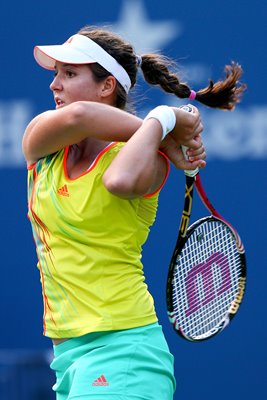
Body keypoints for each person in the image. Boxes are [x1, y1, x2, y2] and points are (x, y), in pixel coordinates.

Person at [23, 25, 245, 400]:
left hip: (125, 354)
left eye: (69, 73)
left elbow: (119, 181)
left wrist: (163, 122)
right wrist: (163, 126)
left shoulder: (147, 161)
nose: (54, 85)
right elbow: (79, 118)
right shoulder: (42, 142)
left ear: (107, 85)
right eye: (56, 73)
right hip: (68, 361)